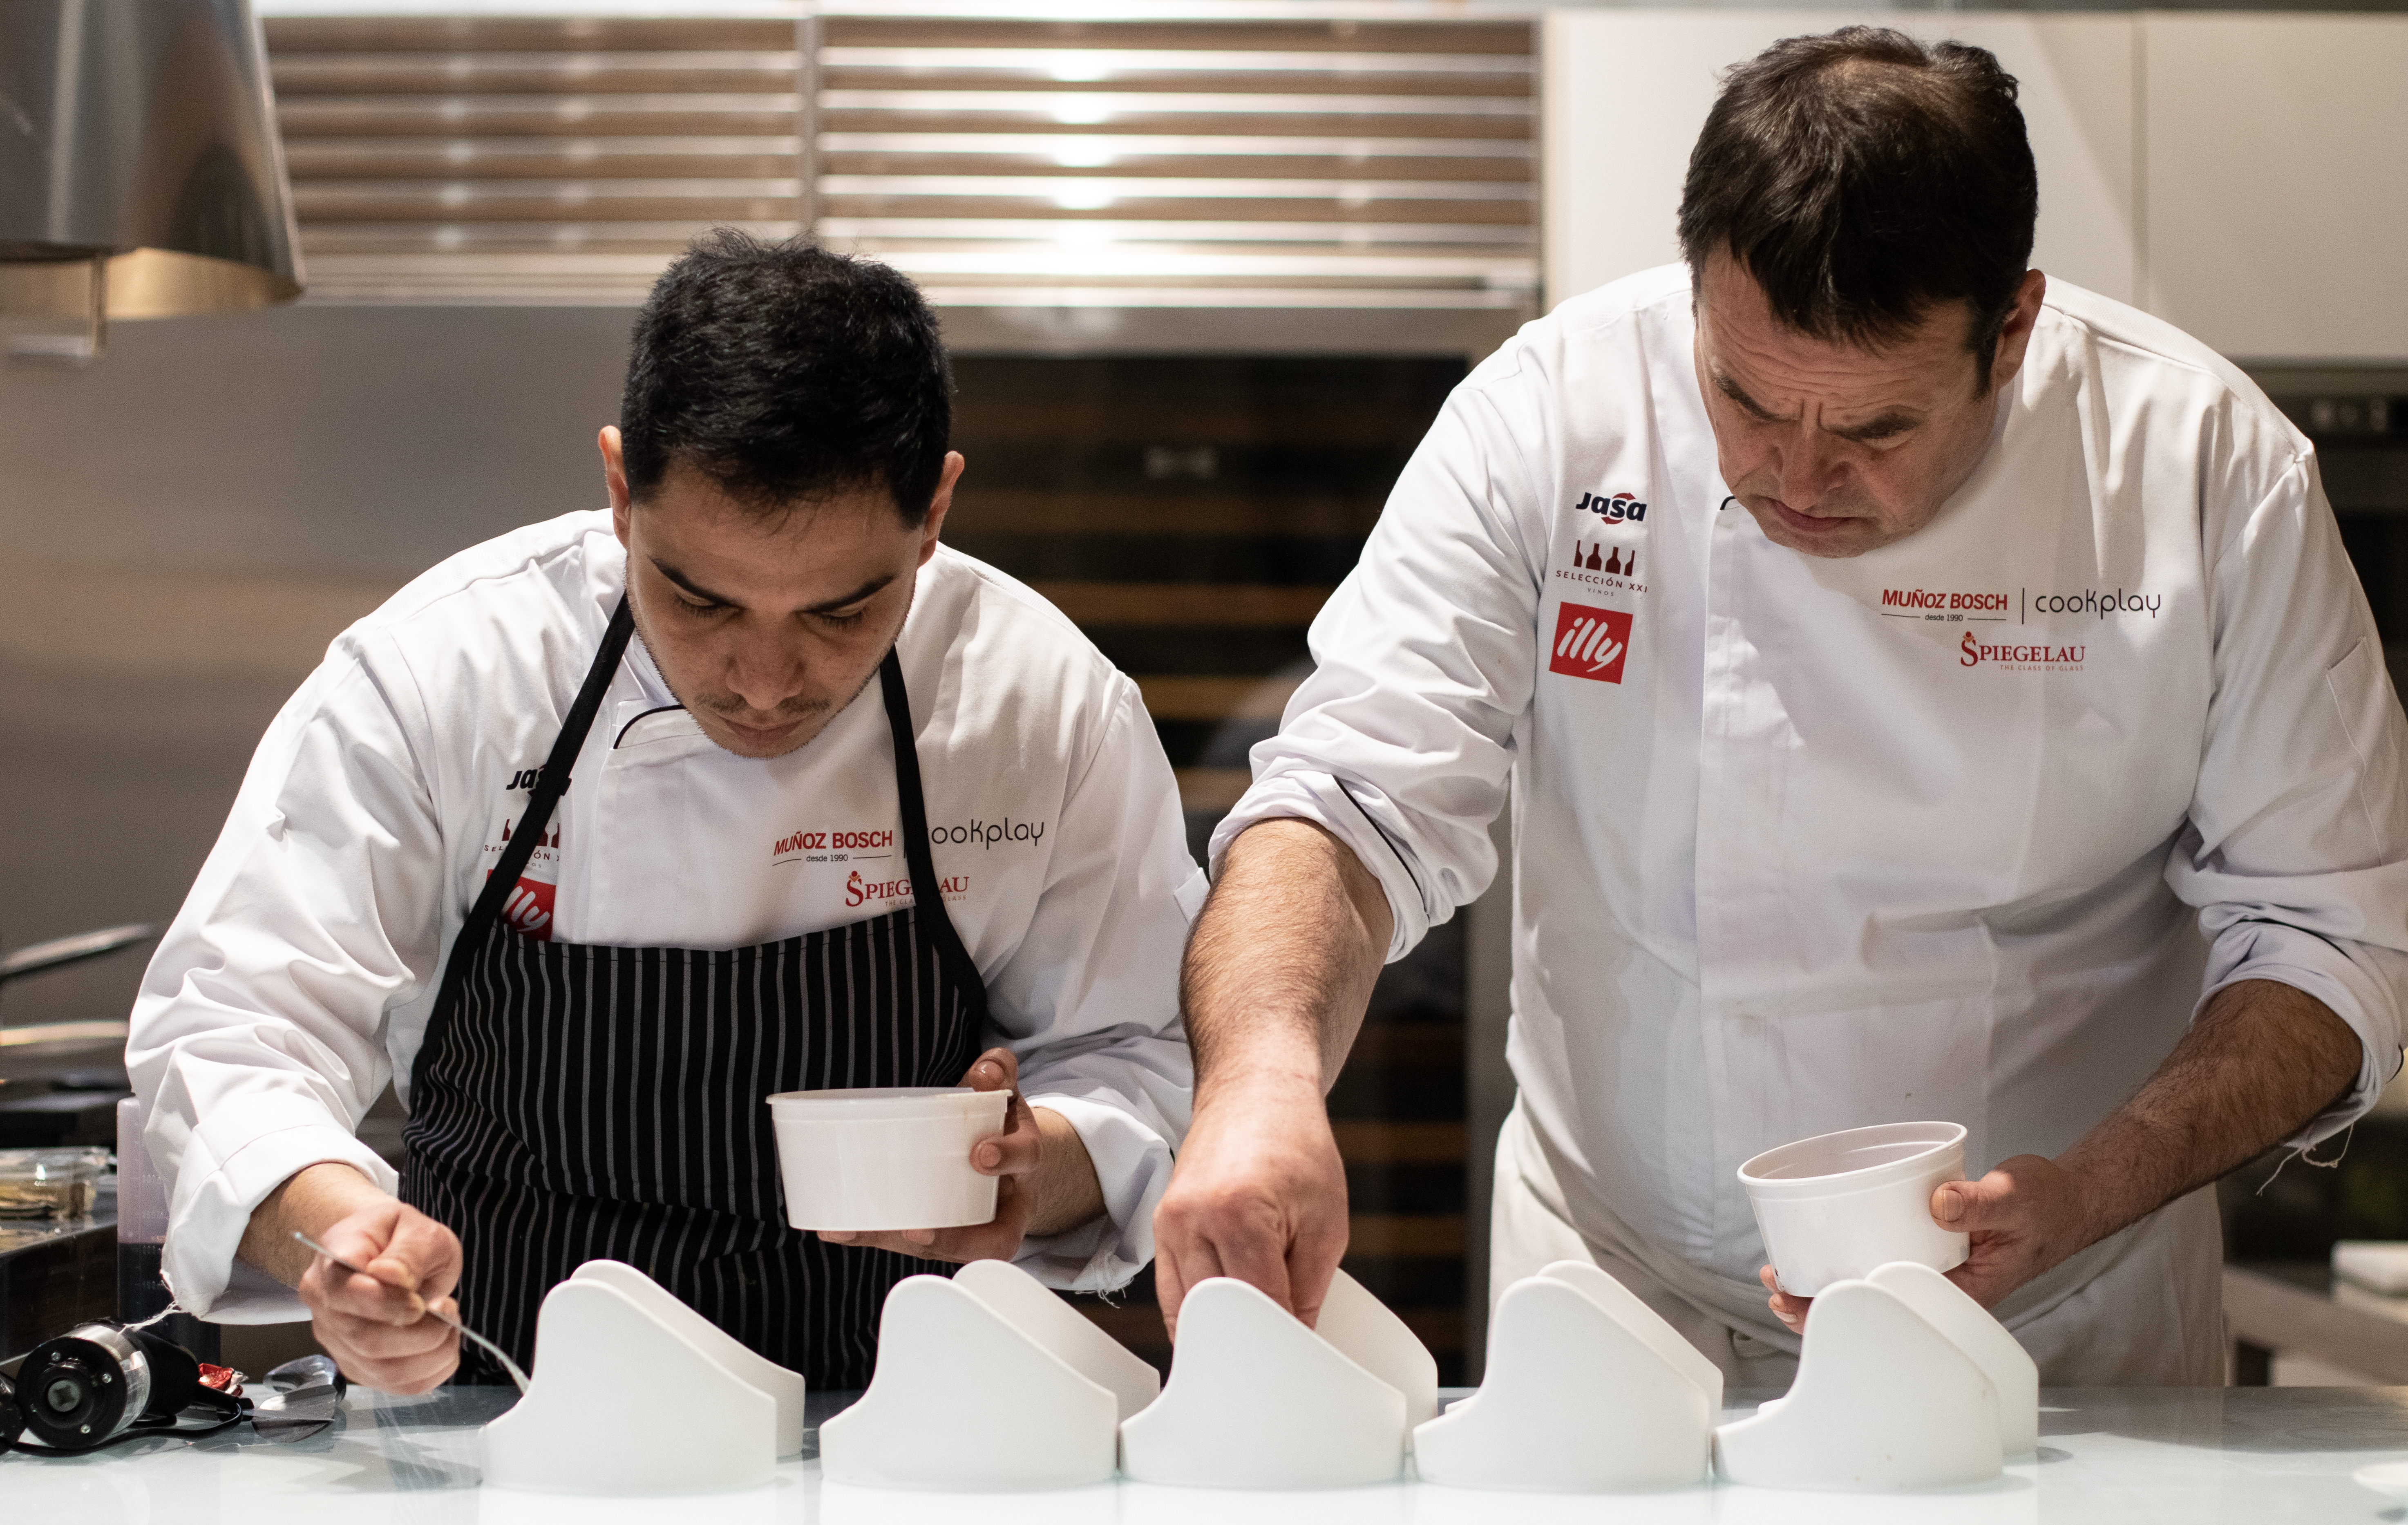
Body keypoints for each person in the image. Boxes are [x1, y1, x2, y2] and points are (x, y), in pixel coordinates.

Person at [1155, 27, 2408, 1386]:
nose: (1797, 472)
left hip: (2057, 1316)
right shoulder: (1552, 415)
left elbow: (2332, 933)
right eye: (1744, 399)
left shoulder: (2203, 471)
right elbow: (1344, 803)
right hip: (1621, 1294)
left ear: (2016, 327)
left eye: (1877, 430)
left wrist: (2095, 1187)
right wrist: (1261, 1082)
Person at [126, 233, 1201, 1393]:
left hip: (902, 1443)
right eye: (699, 598)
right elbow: (233, 1031)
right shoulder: (445, 675)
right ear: (621, 490)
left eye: (844, 612)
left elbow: (1138, 1053)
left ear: (935, 511)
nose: (765, 679)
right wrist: (339, 1237)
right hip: (497, 1434)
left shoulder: (1039, 704)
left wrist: (1035, 1166)